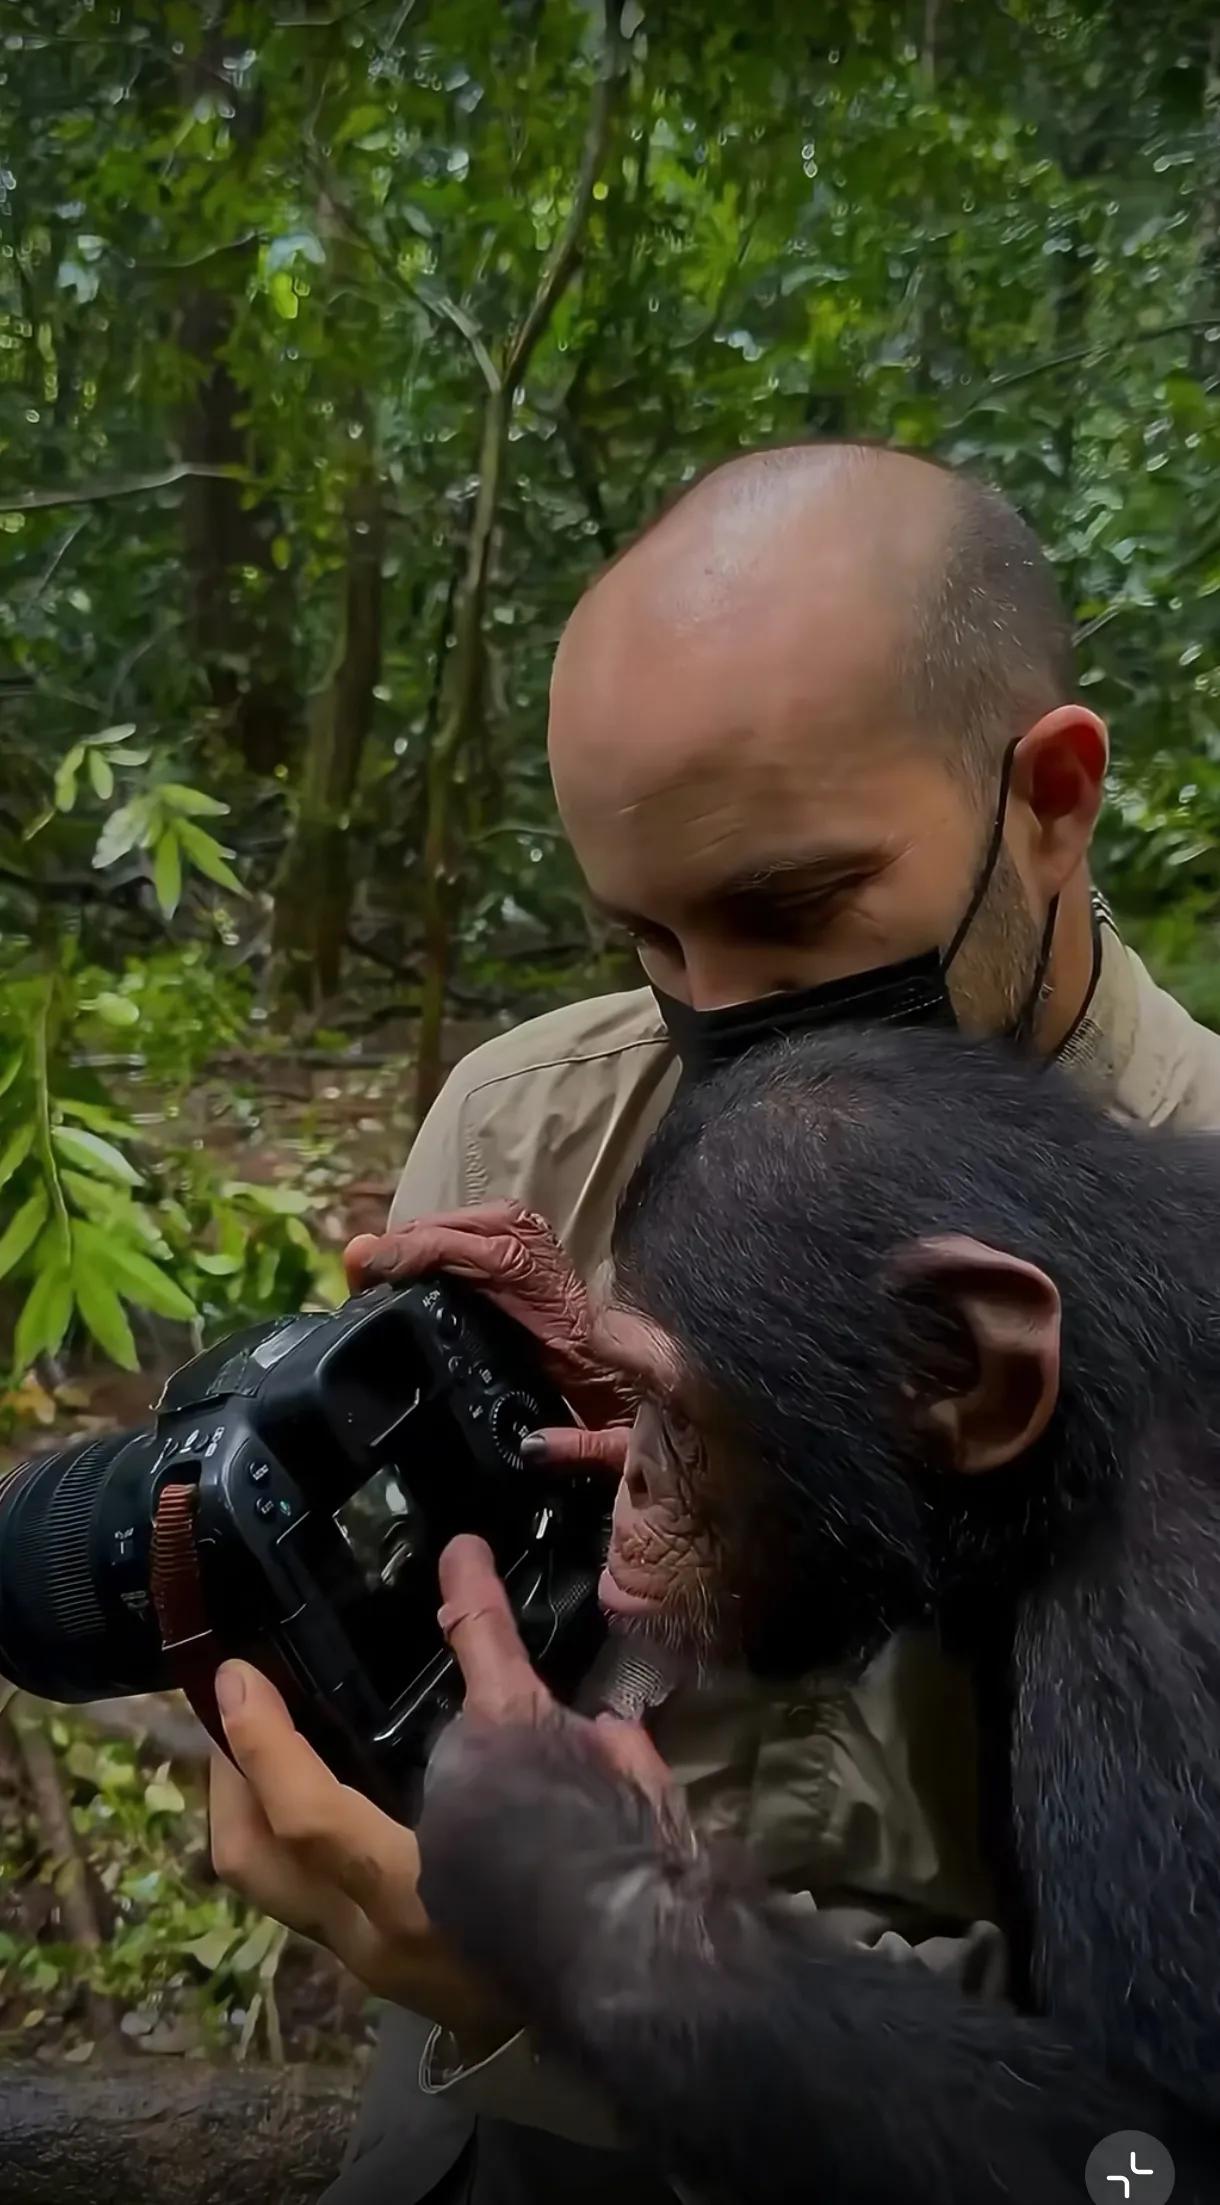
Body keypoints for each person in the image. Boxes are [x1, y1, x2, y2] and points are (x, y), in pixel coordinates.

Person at [210, 441, 1220, 2205]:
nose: (710, 1021)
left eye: (789, 908)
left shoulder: (1165, 1515)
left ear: (1050, 800)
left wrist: (606, 1942)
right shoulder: (540, 1124)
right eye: (647, 941)